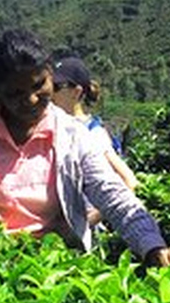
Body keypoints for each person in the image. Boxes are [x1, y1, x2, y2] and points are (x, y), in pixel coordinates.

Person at [0, 28, 170, 265]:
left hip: (53, 266)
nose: (30, 100)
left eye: (39, 85)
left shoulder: (72, 135)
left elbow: (114, 196)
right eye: (14, 93)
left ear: (51, 74)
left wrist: (153, 247)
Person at [51, 56, 139, 226]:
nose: (49, 92)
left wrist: (91, 219)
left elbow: (130, 181)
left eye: (57, 87)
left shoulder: (93, 133)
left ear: (76, 92)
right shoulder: (55, 127)